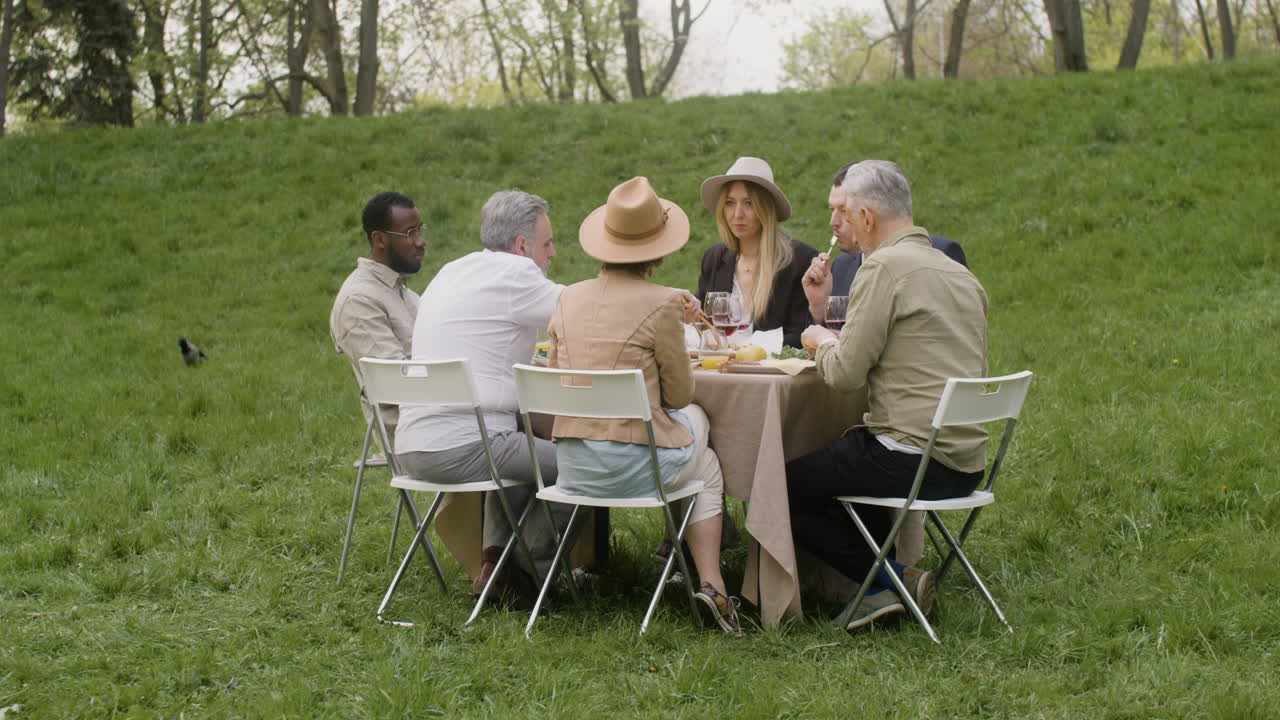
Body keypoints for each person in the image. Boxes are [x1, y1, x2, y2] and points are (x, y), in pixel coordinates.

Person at [790, 160, 990, 632]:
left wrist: (818, 340)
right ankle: (879, 590)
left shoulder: (883, 267)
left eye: (848, 215)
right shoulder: (959, 273)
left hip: (911, 459)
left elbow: (842, 374)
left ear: (867, 218)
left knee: (778, 488)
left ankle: (895, 581)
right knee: (843, 460)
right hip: (966, 464)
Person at [549, 176, 741, 633]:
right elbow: (678, 396)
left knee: (688, 437)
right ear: (657, 249)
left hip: (570, 467)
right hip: (635, 470)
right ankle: (712, 583)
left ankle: (674, 552)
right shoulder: (663, 306)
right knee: (705, 454)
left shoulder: (566, 298)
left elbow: (558, 380)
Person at [394, 189, 571, 604]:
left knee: (515, 437)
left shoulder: (452, 271)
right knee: (585, 466)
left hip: (412, 445)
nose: (554, 254)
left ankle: (495, 564)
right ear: (522, 245)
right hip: (465, 447)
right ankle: (528, 576)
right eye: (547, 244)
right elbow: (586, 311)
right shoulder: (516, 273)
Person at [803, 162, 968, 325]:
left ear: (867, 214)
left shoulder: (939, 253)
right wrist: (819, 308)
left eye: (844, 210)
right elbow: (836, 336)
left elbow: (956, 332)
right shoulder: (841, 267)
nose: (834, 222)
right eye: (832, 209)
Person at [330, 191, 425, 437]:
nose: (420, 241)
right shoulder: (359, 301)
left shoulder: (404, 293)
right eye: (409, 233)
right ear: (380, 239)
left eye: (420, 230)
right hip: (414, 438)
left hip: (449, 421)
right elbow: (396, 383)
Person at [697, 157, 818, 349]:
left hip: (773, 376)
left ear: (766, 208)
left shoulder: (800, 261)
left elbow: (802, 336)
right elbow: (703, 326)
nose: (737, 214)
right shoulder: (714, 259)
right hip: (721, 373)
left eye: (749, 203)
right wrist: (691, 315)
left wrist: (749, 349)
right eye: (729, 203)